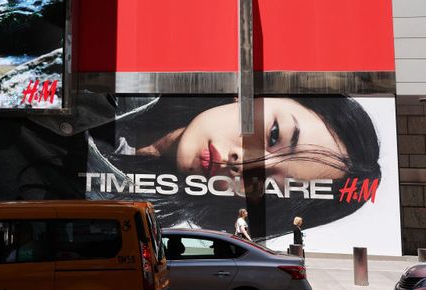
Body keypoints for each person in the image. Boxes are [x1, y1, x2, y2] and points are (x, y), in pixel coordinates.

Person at [87, 95, 381, 240]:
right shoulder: (130, 73)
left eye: (269, 185)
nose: (245, 165)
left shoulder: (135, 229)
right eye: (274, 134)